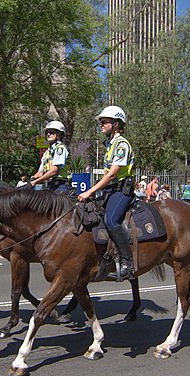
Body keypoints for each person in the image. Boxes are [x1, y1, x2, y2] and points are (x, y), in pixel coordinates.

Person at [78, 106, 135, 281]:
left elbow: (112, 174)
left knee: (111, 220)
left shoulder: (122, 144)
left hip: (122, 190)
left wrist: (90, 190)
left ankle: (128, 264)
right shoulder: (110, 145)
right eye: (101, 122)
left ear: (116, 124)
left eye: (105, 122)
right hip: (110, 190)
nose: (101, 125)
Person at [30, 121, 69, 193]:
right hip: (50, 185)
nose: (48, 134)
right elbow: (40, 173)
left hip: (60, 186)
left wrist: (35, 182)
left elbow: (54, 171)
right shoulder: (46, 153)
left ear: (59, 134)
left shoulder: (60, 149)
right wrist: (30, 181)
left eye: (51, 132)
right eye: (47, 132)